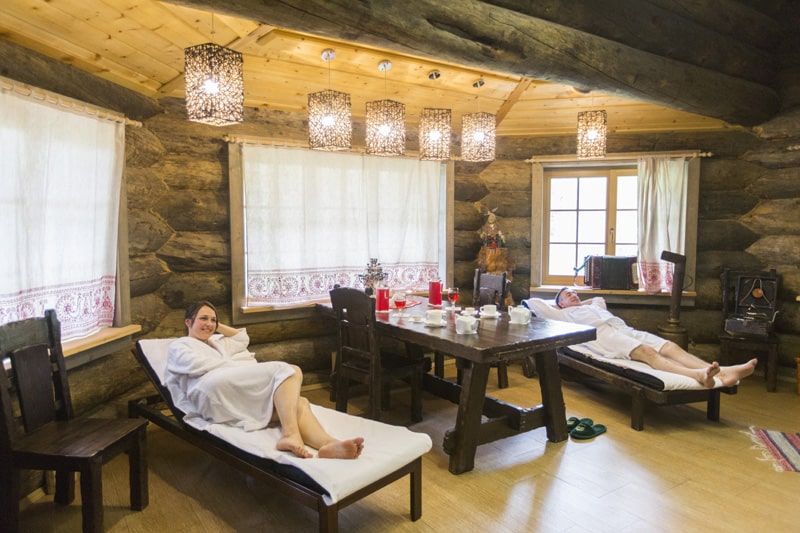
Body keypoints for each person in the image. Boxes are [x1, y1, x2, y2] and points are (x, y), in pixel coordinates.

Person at [165, 300, 364, 459]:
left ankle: (328, 444)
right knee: (288, 370)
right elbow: (193, 365)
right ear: (188, 322)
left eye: (213, 320)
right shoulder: (181, 344)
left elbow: (242, 337)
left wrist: (215, 327)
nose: (209, 324)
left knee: (299, 403)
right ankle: (290, 434)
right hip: (209, 390)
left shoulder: (217, 344)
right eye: (203, 319)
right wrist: (237, 367)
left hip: (227, 394)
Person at [542, 288, 756, 388]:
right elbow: (536, 305)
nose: (574, 295)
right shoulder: (564, 314)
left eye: (575, 293)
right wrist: (560, 305)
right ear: (560, 304)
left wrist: (579, 301)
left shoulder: (594, 306)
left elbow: (599, 298)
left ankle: (723, 373)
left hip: (624, 329)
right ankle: (698, 374)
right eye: (568, 295)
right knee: (648, 352)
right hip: (604, 336)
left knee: (669, 346)